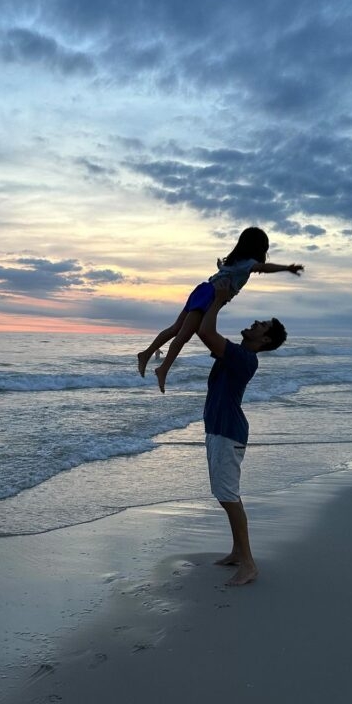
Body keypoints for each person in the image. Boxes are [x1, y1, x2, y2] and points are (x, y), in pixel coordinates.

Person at [137, 227, 303, 393]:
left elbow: (224, 270)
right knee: (184, 335)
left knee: (175, 328)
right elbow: (263, 268)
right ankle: (163, 369)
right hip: (210, 295)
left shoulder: (234, 262)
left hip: (202, 290)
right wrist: (286, 268)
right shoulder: (247, 264)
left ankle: (147, 353)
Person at [200, 280, 287, 586]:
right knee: (225, 494)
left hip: (228, 432)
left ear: (264, 341)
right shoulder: (237, 353)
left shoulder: (244, 358)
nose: (254, 323)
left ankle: (248, 563)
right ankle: (238, 551)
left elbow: (206, 333)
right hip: (219, 429)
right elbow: (205, 332)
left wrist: (219, 301)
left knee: (228, 496)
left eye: (260, 325)